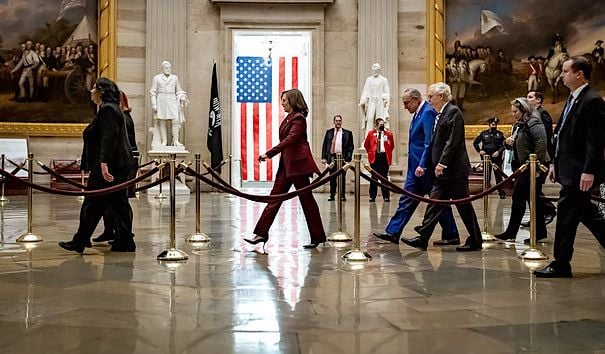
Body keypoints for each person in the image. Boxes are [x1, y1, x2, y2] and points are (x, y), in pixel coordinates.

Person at [534, 56, 605, 278]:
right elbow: (562, 135)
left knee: (566, 215)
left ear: (579, 74)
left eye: (565, 71)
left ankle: (561, 264)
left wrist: (589, 171)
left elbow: (596, 140)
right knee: (587, 214)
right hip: (568, 168)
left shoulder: (592, 100)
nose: (561, 75)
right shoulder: (574, 98)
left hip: (579, 171)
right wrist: (555, 162)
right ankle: (561, 262)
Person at [400, 82, 482, 252]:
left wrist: (442, 163)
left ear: (442, 97)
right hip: (443, 172)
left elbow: (453, 142)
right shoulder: (439, 114)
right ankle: (423, 238)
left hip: (454, 171)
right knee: (435, 203)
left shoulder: (453, 112)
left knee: (464, 206)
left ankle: (475, 239)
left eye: (431, 96)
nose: (429, 100)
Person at [372, 88, 459, 245]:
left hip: (424, 168)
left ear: (415, 100)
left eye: (406, 103)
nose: (405, 107)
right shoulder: (418, 113)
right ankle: (393, 232)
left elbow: (429, 141)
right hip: (415, 168)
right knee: (407, 200)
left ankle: (451, 234)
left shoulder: (427, 112)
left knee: (437, 203)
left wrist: (422, 165)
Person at [58, 78, 136, 253]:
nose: (91, 91)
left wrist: (103, 164)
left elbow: (108, 139)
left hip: (110, 167)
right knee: (117, 204)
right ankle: (124, 241)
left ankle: (81, 240)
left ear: (101, 91)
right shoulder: (109, 109)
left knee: (93, 204)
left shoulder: (108, 110)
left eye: (94, 88)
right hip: (116, 164)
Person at [244, 89, 326, 250]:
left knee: (307, 201)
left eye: (284, 100)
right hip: (286, 167)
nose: (282, 103)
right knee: (273, 199)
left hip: (298, 166)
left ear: (293, 101)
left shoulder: (299, 118)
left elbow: (290, 140)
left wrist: (269, 153)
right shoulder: (290, 118)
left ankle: (318, 236)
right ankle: (261, 233)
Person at [494, 98, 549, 243]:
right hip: (522, 167)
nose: (513, 114)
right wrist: (507, 143)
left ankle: (513, 232)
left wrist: (536, 165)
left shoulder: (534, 122)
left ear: (524, 110)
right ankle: (538, 232)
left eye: (515, 111)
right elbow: (517, 143)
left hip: (532, 167)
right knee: (532, 199)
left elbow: (541, 143)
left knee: (522, 198)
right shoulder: (519, 125)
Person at [93, 91, 140, 244]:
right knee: (112, 199)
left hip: (126, 161)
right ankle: (111, 231)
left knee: (121, 200)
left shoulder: (123, 118)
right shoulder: (120, 116)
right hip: (121, 161)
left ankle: (125, 234)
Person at [523, 90, 557, 226]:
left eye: (530, 97)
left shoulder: (543, 114)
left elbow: (545, 138)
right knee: (531, 190)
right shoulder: (530, 115)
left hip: (541, 158)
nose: (528, 99)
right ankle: (536, 219)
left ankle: (549, 210)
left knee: (534, 189)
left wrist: (541, 159)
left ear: (538, 101)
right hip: (531, 158)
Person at [149, 60, 188, 147]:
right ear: (163, 68)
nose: (168, 69)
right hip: (161, 101)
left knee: (175, 120)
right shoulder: (157, 78)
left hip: (172, 100)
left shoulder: (174, 78)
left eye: (169, 68)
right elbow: (153, 92)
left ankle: (176, 140)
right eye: (166, 68)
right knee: (162, 121)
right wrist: (154, 104)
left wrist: (181, 96)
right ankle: (164, 141)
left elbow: (178, 90)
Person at [320, 114, 354, 201]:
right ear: (334, 122)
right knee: (332, 177)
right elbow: (325, 145)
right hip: (332, 157)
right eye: (336, 121)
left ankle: (342, 195)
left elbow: (351, 147)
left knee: (342, 177)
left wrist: (348, 159)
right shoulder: (329, 132)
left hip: (343, 158)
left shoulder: (347, 133)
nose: (338, 122)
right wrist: (324, 157)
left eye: (339, 121)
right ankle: (332, 195)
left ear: (341, 122)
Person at [473, 117, 507, 199]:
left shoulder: (500, 134)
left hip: (496, 158)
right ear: (489, 125)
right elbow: (475, 143)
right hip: (486, 158)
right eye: (492, 124)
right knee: (486, 176)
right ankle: (485, 191)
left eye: (495, 124)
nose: (494, 125)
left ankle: (501, 192)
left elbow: (504, 145)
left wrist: (498, 151)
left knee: (498, 176)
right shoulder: (483, 134)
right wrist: (479, 151)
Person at [364, 117, 394, 202]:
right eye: (380, 124)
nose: (382, 126)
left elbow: (391, 145)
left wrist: (386, 152)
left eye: (383, 124)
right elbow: (367, 145)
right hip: (375, 157)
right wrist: (371, 153)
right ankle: (372, 196)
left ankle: (386, 196)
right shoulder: (371, 134)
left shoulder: (388, 134)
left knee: (384, 177)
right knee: (374, 177)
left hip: (384, 157)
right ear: (376, 125)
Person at [359, 63, 390, 140]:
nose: (375, 71)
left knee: (380, 120)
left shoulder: (384, 80)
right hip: (371, 102)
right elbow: (365, 91)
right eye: (374, 70)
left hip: (380, 102)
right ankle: (367, 139)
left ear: (379, 70)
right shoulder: (369, 80)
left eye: (376, 70)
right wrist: (362, 100)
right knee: (369, 119)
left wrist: (385, 101)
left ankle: (381, 139)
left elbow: (387, 92)